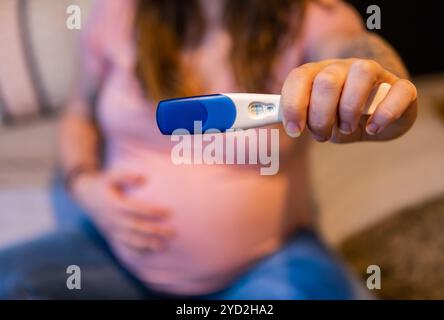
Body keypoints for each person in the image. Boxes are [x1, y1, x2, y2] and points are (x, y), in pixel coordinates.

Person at [0, 0, 417, 299]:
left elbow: (354, 50)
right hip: (113, 256)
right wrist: (85, 185)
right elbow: (79, 116)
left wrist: (373, 82)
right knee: (13, 279)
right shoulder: (116, 12)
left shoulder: (315, 15)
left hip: (268, 262)